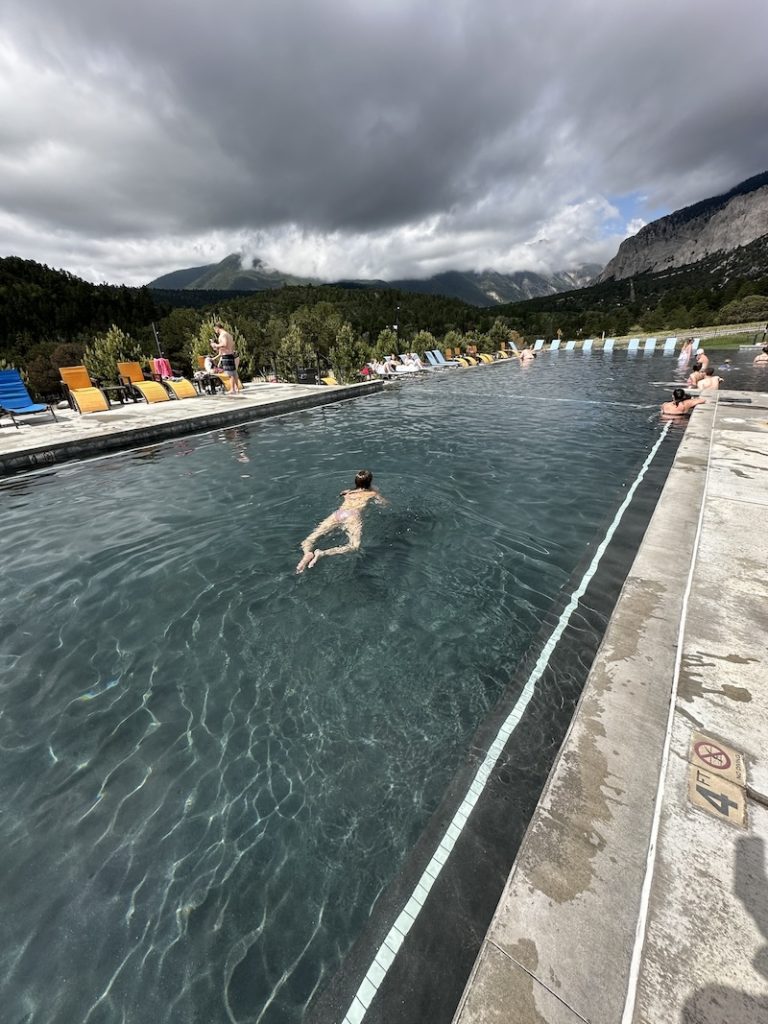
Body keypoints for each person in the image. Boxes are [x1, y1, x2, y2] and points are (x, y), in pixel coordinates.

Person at [296, 469, 387, 572]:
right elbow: (384, 504)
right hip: (353, 516)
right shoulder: (372, 493)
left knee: (310, 539)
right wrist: (376, 493)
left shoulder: (347, 492)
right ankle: (322, 553)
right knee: (354, 546)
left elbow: (341, 494)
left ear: (355, 481)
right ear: (370, 482)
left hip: (339, 513)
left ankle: (307, 553)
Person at [211, 322, 243, 393]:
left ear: (217, 328)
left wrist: (216, 345)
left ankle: (232, 389)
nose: (215, 331)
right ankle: (236, 388)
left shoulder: (223, 335)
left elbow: (224, 344)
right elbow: (231, 345)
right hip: (230, 354)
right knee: (234, 372)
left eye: (215, 329)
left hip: (226, 355)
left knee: (230, 373)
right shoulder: (228, 335)